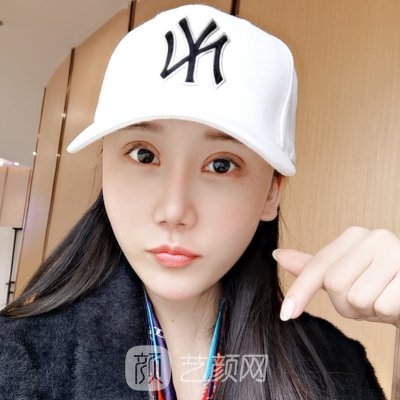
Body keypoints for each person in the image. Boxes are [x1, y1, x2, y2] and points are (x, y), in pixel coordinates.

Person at [0, 4, 397, 399]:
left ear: (271, 193)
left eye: (221, 165)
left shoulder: (335, 368)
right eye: (144, 155)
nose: (174, 211)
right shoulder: (18, 358)